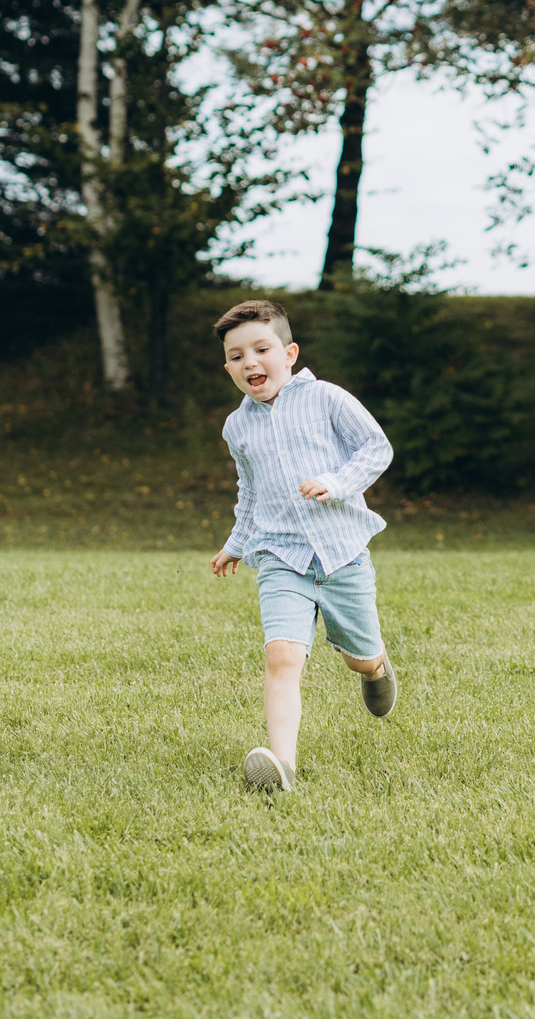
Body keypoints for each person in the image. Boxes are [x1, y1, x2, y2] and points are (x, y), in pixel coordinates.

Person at [206, 298, 399, 794]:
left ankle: (374, 665)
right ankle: (282, 766)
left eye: (261, 349)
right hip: (279, 557)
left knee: (359, 657)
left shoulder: (328, 398)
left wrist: (336, 482)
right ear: (227, 366)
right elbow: (249, 491)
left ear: (289, 352)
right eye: (235, 356)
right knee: (282, 656)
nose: (249, 362)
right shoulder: (237, 426)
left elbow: (376, 448)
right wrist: (236, 544)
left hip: (341, 553)